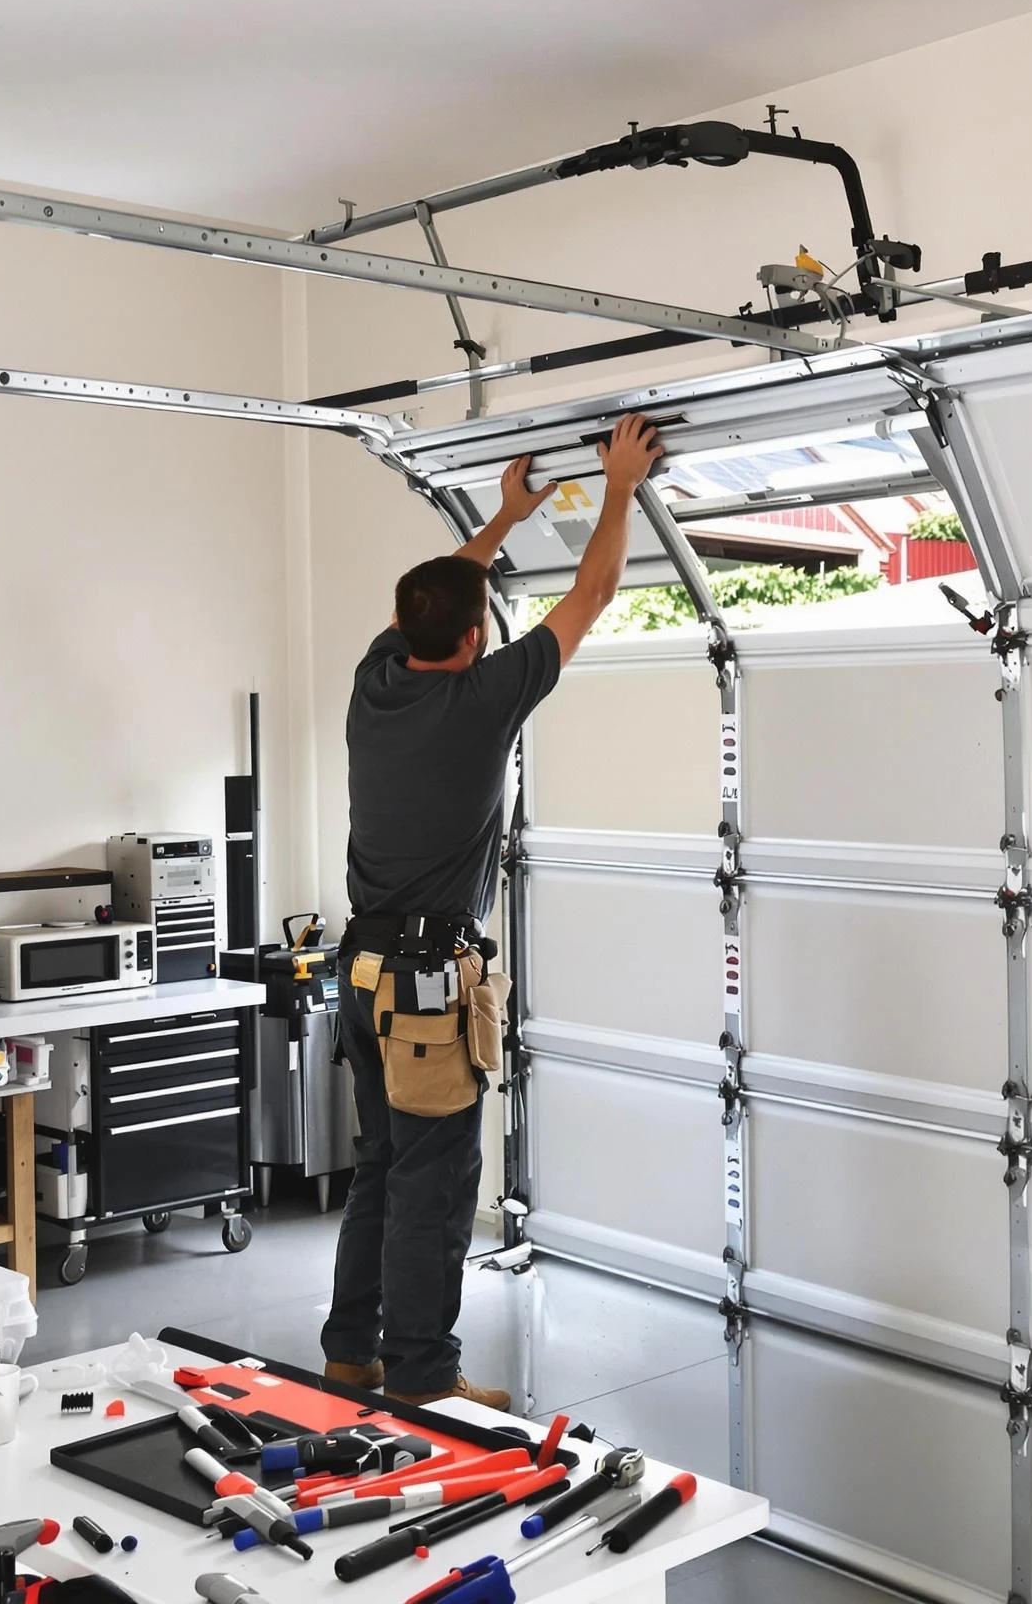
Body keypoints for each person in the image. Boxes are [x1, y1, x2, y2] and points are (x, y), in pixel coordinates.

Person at [321, 411, 664, 1407]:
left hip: (362, 975)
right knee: (432, 1187)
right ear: (476, 640)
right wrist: (620, 483)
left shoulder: (376, 683)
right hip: (427, 988)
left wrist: (505, 518)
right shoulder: (482, 701)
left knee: (381, 1169)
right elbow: (593, 594)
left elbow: (438, 598)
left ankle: (351, 1353)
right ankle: (424, 1378)